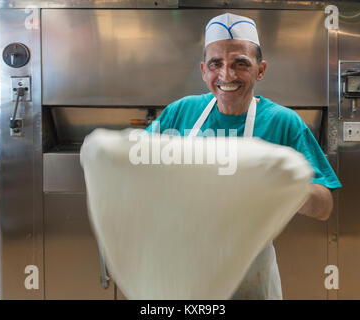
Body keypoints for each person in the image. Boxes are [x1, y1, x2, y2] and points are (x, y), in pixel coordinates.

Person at [146, 13, 342, 299]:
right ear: (203, 70)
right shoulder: (180, 113)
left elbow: (324, 206)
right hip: (184, 274)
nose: (226, 75)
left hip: (252, 277)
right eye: (216, 64)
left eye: (241, 64)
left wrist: (282, 186)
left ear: (260, 70)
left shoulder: (282, 122)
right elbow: (135, 167)